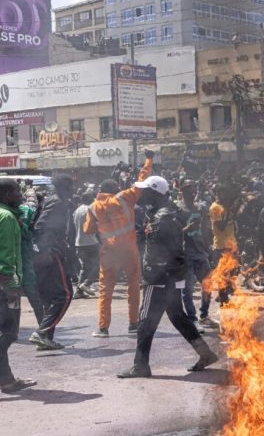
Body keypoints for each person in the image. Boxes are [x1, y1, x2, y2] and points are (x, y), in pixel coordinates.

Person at [117, 176, 218, 378]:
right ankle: (205, 353)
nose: (142, 194)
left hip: (159, 276)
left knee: (145, 320)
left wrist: (153, 275)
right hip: (172, 275)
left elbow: (160, 251)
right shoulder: (170, 212)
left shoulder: (161, 218)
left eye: (146, 191)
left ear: (156, 193)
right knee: (178, 316)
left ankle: (140, 366)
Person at [85, 150, 154, 337]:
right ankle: (133, 324)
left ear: (100, 191)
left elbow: (88, 230)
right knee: (133, 286)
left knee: (105, 290)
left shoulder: (93, 207)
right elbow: (142, 180)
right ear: (116, 189)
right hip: (129, 250)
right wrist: (149, 160)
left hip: (108, 253)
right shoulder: (124, 197)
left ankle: (103, 328)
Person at [29, 174, 75, 351]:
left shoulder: (50, 200)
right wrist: (49, 249)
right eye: (70, 187)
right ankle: (42, 333)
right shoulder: (57, 202)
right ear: (63, 187)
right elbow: (41, 226)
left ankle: (46, 339)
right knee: (65, 295)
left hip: (43, 254)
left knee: (50, 298)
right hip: (51, 254)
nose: (72, 190)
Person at [0, 179, 36, 393]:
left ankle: (6, 380)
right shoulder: (6, 218)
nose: (20, 196)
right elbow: (6, 254)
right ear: (6, 195)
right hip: (7, 286)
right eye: (16, 192)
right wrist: (10, 283)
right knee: (10, 332)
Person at [177, 180, 214, 333]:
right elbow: (174, 232)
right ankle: (192, 319)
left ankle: (204, 315)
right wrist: (188, 228)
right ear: (182, 190)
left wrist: (208, 247)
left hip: (201, 253)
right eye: (188, 189)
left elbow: (206, 229)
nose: (192, 191)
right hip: (186, 255)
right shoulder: (177, 209)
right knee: (187, 290)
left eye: (194, 188)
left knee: (208, 286)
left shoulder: (201, 207)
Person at [73, 191, 99, 299]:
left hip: (79, 242)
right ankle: (86, 284)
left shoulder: (77, 210)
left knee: (85, 267)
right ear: (90, 199)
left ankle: (78, 291)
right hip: (91, 242)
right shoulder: (90, 209)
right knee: (99, 265)